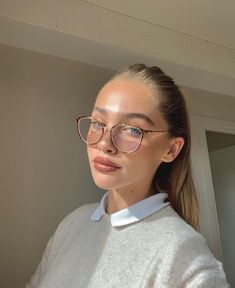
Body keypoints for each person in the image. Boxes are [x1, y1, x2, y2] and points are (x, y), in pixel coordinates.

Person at [26, 64, 229, 287]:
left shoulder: (184, 255)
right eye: (97, 123)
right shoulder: (72, 223)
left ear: (171, 150)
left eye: (133, 129)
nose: (104, 143)